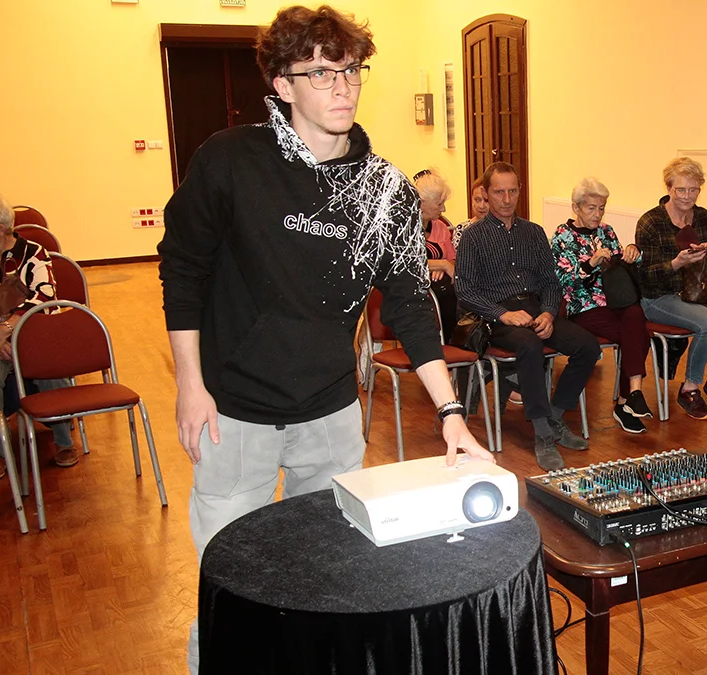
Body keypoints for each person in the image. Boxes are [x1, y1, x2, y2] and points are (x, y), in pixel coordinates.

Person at [156, 7, 491, 671]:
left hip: (331, 415)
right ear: (282, 84)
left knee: (328, 573)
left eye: (351, 71)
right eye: (320, 73)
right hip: (234, 413)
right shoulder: (230, 160)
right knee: (232, 583)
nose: (342, 87)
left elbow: (411, 305)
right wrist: (190, 385)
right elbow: (182, 270)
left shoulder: (384, 190)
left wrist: (451, 411)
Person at [454, 161, 600, 470]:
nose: (507, 199)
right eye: (499, 192)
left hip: (535, 309)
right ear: (485, 193)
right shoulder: (473, 237)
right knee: (529, 345)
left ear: (520, 190)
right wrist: (503, 314)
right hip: (495, 318)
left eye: (512, 191)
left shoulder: (534, 233)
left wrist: (548, 313)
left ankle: (555, 415)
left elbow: (550, 282)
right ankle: (542, 433)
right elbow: (465, 290)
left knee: (588, 346)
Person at [0, 193, 79, 482]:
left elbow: (45, 296)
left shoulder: (34, 252)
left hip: (32, 332)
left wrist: (7, 329)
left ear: (0, 228)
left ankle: (63, 440)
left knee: (46, 361)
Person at [635, 157, 707, 420]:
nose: (687, 196)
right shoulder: (651, 222)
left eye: (693, 189)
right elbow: (645, 277)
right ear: (668, 188)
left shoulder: (703, 217)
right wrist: (677, 263)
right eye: (680, 189)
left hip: (701, 291)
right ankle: (689, 388)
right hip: (660, 296)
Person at [551, 177, 654, 434]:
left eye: (601, 208)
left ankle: (632, 396)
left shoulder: (606, 231)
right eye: (591, 208)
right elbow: (563, 281)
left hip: (615, 300)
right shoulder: (562, 236)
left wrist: (633, 253)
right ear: (576, 208)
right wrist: (590, 264)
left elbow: (621, 264)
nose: (597, 214)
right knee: (638, 334)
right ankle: (626, 402)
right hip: (582, 307)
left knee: (635, 315)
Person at [412, 169, 458, 338]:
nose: (443, 209)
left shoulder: (439, 227)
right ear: (422, 203)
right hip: (413, 289)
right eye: (439, 204)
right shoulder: (404, 228)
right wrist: (441, 264)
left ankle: (454, 342)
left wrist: (445, 265)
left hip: (441, 287)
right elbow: (407, 263)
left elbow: (453, 260)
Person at [451, 179, 489, 249]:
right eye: (477, 200)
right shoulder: (462, 229)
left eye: (487, 201)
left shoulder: (504, 227)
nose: (481, 206)